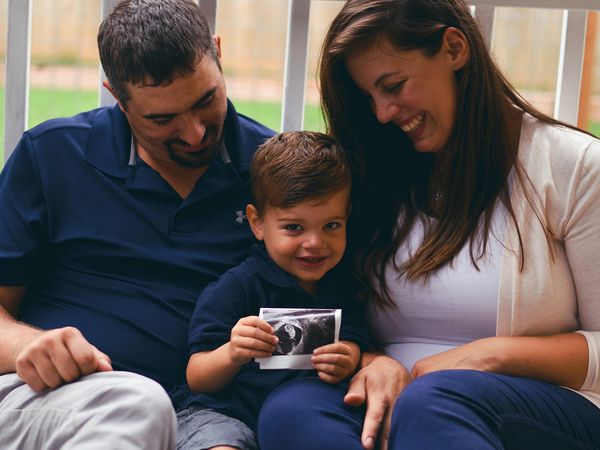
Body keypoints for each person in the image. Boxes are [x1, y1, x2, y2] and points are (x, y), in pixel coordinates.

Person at [257, 1, 600, 449]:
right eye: (368, 97)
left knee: (433, 401)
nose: (381, 113)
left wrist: (485, 357)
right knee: (292, 409)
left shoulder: (572, 168)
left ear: (454, 49)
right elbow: (327, 304)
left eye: (393, 85)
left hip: (544, 408)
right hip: (401, 400)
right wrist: (372, 359)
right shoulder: (372, 170)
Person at [0, 0, 274, 448]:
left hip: (204, 412)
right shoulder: (52, 154)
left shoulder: (273, 170)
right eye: (162, 120)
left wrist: (373, 356)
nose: (194, 134)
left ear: (218, 54)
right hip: (56, 398)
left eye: (206, 100)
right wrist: (25, 345)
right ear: (116, 96)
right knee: (139, 405)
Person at [173, 131, 370, 450]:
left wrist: (347, 356)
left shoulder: (344, 287)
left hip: (304, 417)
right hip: (224, 413)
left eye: (331, 225)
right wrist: (233, 353)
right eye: (294, 227)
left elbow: (355, 340)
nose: (315, 243)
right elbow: (197, 376)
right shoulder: (238, 286)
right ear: (257, 223)